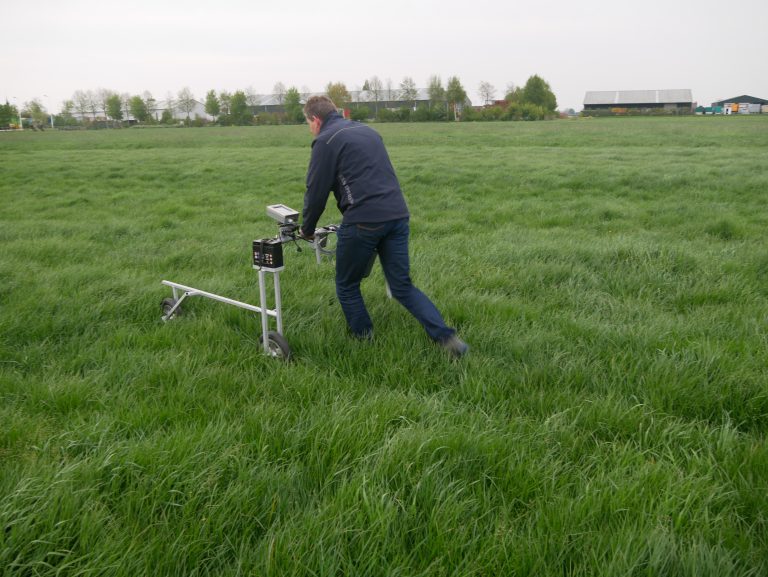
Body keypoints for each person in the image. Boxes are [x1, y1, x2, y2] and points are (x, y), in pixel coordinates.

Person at [299, 95, 468, 357]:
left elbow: (316, 191)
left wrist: (307, 229)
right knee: (402, 286)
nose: (310, 129)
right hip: (397, 215)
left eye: (308, 124)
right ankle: (446, 337)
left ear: (316, 119)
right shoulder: (368, 131)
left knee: (347, 285)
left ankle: (365, 342)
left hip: (363, 220)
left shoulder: (325, 141)